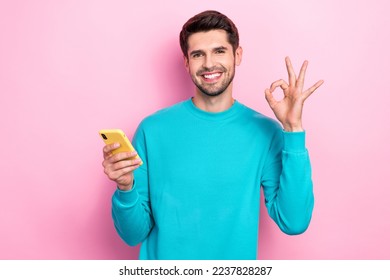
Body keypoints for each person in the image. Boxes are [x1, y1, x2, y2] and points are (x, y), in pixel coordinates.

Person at [102, 10, 324, 260]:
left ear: (237, 55)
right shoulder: (152, 130)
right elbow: (133, 234)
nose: (209, 63)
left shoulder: (266, 133)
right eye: (198, 54)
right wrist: (125, 187)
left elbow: (294, 222)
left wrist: (293, 130)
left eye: (219, 51)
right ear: (187, 62)